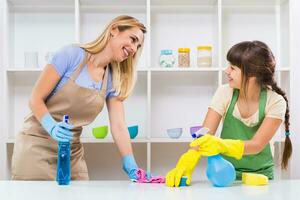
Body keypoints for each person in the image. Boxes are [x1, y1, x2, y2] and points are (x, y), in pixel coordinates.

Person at [11, 15, 147, 181]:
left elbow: (119, 126)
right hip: (36, 146)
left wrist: (130, 162)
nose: (134, 48)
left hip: (71, 151)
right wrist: (51, 126)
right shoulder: (72, 55)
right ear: (113, 30)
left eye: (138, 46)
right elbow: (35, 98)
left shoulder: (113, 77)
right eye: (133, 39)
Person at [166, 41, 292, 187]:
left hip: (259, 178)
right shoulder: (225, 92)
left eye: (232, 68)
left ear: (252, 75)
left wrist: (222, 145)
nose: (226, 71)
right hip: (225, 176)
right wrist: (187, 162)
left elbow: (257, 145)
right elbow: (204, 135)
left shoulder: (275, 102)